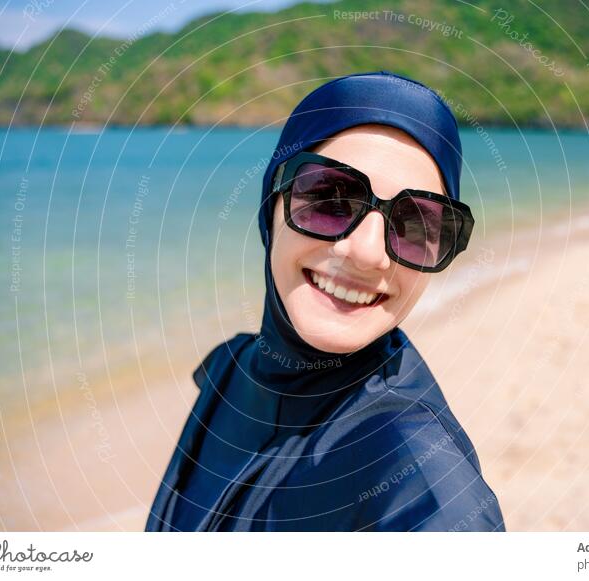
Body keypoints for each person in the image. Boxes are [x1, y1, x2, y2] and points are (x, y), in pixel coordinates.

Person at [145, 71, 505, 532]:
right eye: (330, 198)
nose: (367, 253)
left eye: (416, 225)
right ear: (271, 207)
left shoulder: (424, 480)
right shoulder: (229, 372)